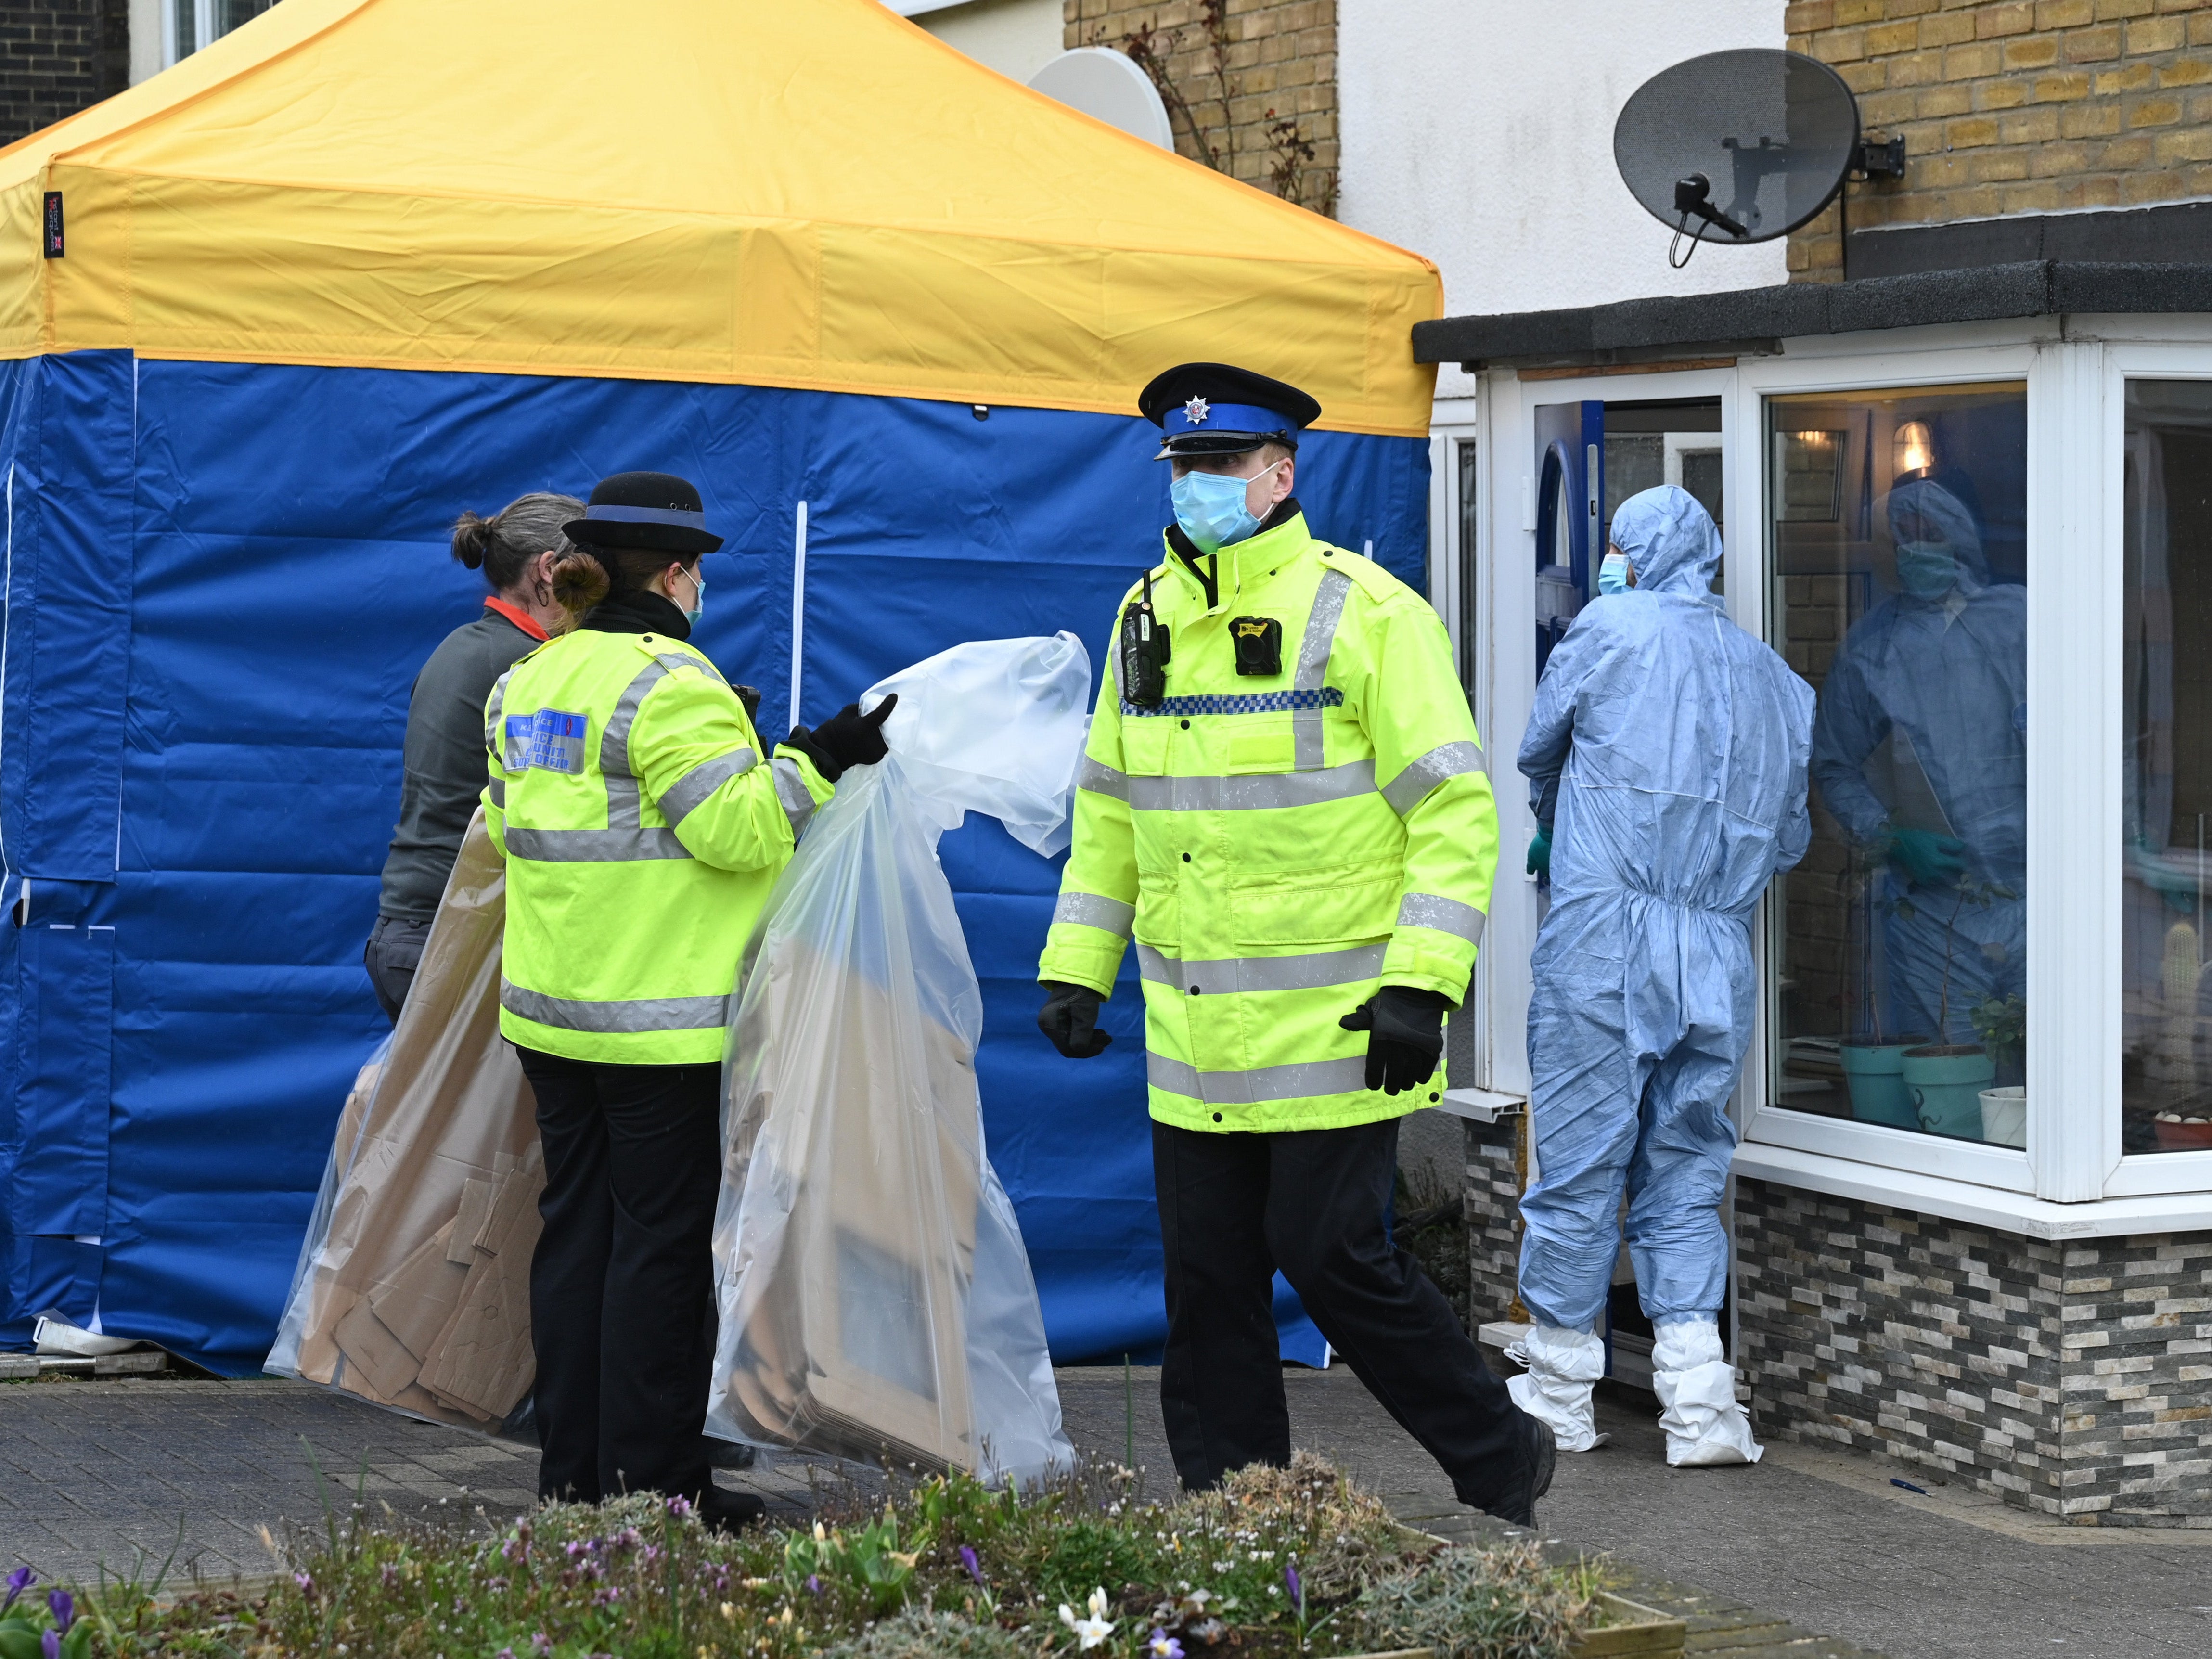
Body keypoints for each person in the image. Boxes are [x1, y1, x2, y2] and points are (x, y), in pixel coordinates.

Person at [1035, 362, 1555, 1525]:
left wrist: (1422, 984)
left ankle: (1497, 1450)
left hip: (1334, 1026)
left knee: (1332, 1258)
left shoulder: (1368, 613)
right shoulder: (1142, 618)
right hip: (1194, 1029)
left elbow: (1455, 811)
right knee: (1207, 1284)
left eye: (1220, 466)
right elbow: (1110, 806)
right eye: (1182, 466)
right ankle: (1235, 1513)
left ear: (1279, 475)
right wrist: (1077, 963)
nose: (1197, 485)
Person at [483, 470, 895, 1524]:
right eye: (698, 572)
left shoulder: (531, 676)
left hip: (550, 1014)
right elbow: (741, 834)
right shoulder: (674, 683)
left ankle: (572, 1478)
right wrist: (814, 759)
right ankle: (658, 1486)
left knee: (574, 1241)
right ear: (677, 573)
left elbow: (543, 826)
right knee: (659, 1254)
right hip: (659, 1025)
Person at [1511, 485, 1812, 1467]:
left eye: (1615, 548)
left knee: (1583, 1163)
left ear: (1634, 554)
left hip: (1608, 933)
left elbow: (1538, 748)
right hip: (1719, 947)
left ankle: (1558, 1390)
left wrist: (1566, 825)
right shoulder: (1777, 679)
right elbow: (1793, 836)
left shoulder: (1612, 626)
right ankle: (1699, 1403)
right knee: (1687, 1168)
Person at [1809, 477, 2026, 1050]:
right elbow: (1835, 765)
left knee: (2049, 1081)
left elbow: (2097, 738)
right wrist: (1890, 838)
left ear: (1960, 537)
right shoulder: (1871, 649)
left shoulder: (2019, 621)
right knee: (1955, 1067)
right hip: (1934, 907)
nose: (1917, 548)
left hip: (2038, 891)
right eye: (1903, 537)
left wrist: (2127, 843)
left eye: (1930, 533)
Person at [366, 492, 578, 1024]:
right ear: (549, 572)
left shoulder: (466, 645)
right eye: (594, 573)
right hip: (448, 940)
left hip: (413, 933)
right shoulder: (527, 668)